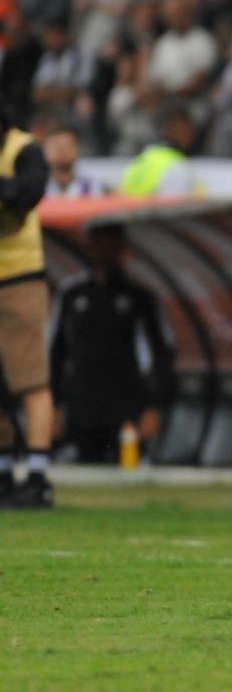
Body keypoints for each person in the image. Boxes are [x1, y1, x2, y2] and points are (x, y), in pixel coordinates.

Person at [50, 223, 174, 463]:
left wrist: (155, 407)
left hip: (128, 408)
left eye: (109, 243)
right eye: (97, 243)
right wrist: (54, 405)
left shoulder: (141, 297)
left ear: (121, 248)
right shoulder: (71, 294)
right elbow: (55, 352)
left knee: (128, 473)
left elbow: (162, 353)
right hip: (81, 407)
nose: (102, 250)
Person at [0, 98, 55, 507]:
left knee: (31, 379)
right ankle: (3, 469)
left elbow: (26, 194)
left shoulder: (23, 148)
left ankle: (37, 474)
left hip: (20, 277)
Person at [119, 104, 199, 197]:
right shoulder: (177, 167)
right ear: (169, 128)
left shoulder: (138, 162)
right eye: (186, 127)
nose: (192, 133)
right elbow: (175, 209)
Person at [43, 124, 104, 198]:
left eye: (66, 146)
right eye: (56, 146)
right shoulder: (37, 186)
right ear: (44, 150)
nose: (61, 151)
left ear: (77, 149)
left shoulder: (91, 186)